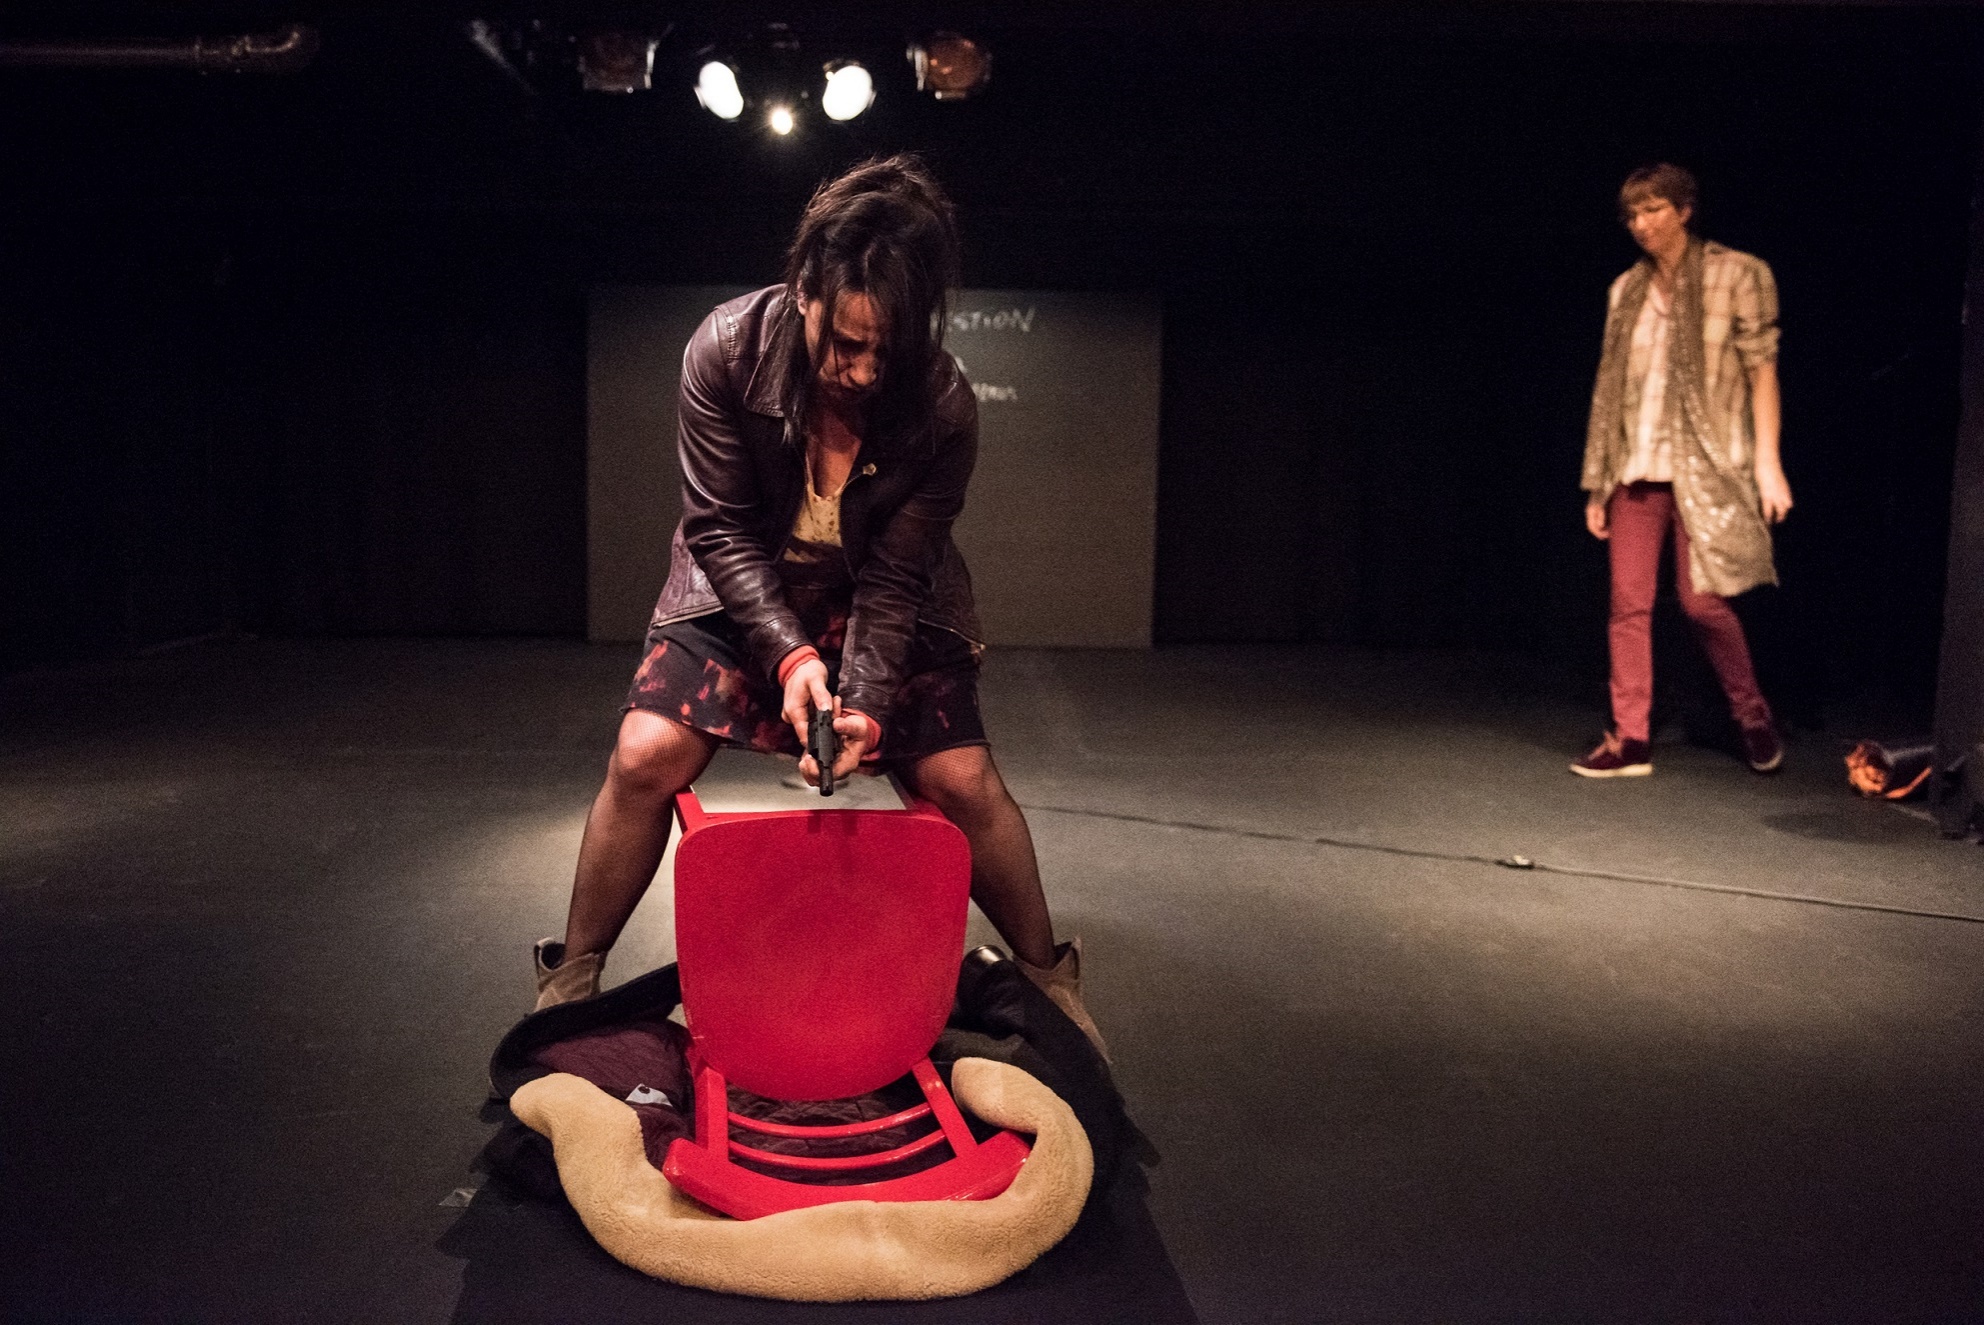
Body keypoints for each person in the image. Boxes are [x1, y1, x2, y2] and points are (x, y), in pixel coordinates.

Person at [531, 155, 1106, 1056]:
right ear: (803, 291)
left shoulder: (944, 404)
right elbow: (720, 530)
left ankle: (1049, 983)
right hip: (740, 586)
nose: (865, 371)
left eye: (886, 349)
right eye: (845, 343)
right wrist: (795, 659)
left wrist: (864, 705)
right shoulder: (725, 349)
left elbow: (897, 575)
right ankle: (569, 981)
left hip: (883, 600)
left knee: (962, 780)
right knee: (644, 755)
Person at [1573, 163, 1791, 779]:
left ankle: (1752, 714)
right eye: (1632, 215)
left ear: (1684, 210)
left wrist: (1769, 463)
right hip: (1637, 467)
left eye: (1653, 210)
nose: (1641, 224)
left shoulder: (1739, 273)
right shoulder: (1625, 290)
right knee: (1628, 604)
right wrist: (1598, 483)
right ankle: (1630, 738)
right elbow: (1609, 392)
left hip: (1709, 468)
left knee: (1701, 605)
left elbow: (1762, 372)